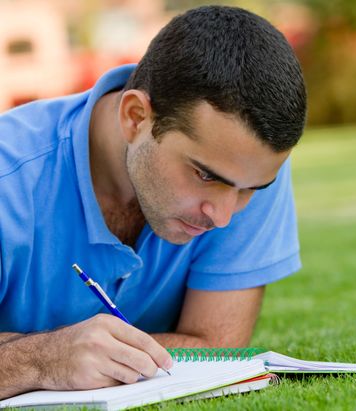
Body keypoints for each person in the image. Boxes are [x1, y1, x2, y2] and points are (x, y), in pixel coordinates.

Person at [0, 5, 307, 398]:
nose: (225, 216)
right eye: (205, 175)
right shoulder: (10, 180)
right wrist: (41, 359)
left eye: (251, 189)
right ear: (135, 117)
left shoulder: (245, 165)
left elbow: (215, 346)